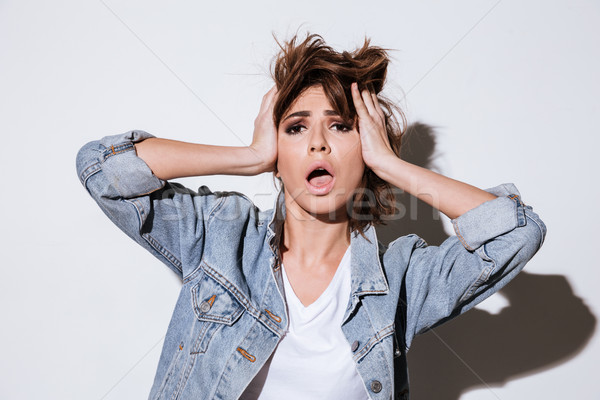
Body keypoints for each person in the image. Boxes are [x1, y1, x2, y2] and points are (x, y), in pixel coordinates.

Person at [75, 33, 546, 400]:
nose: (318, 143)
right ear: (279, 150)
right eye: (296, 128)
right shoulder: (220, 235)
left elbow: (517, 232)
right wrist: (250, 155)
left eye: (340, 126)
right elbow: (102, 167)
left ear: (364, 147)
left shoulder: (402, 277)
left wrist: (392, 165)